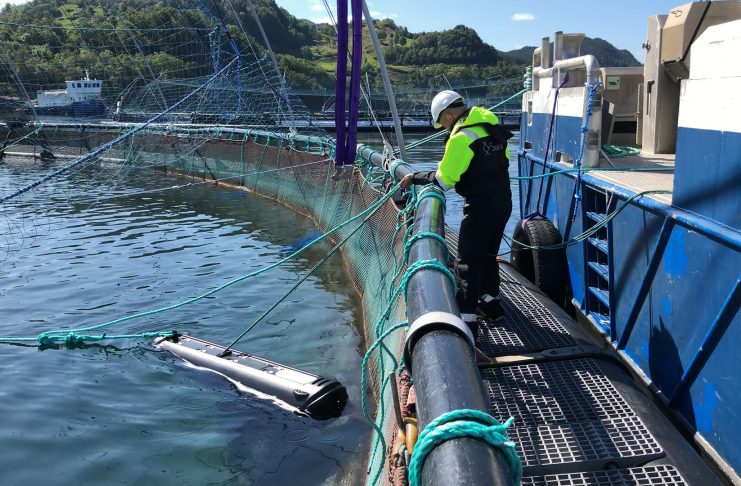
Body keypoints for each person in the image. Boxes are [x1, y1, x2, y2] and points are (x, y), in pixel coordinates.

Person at [400, 90, 513, 335]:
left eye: (442, 123)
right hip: (503, 204)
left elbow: (444, 180)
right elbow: (504, 163)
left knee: (467, 263)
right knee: (488, 255)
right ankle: (492, 306)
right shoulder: (492, 130)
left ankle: (466, 323)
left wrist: (416, 177)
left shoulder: (461, 138)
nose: (443, 128)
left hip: (480, 208)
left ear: (449, 116)